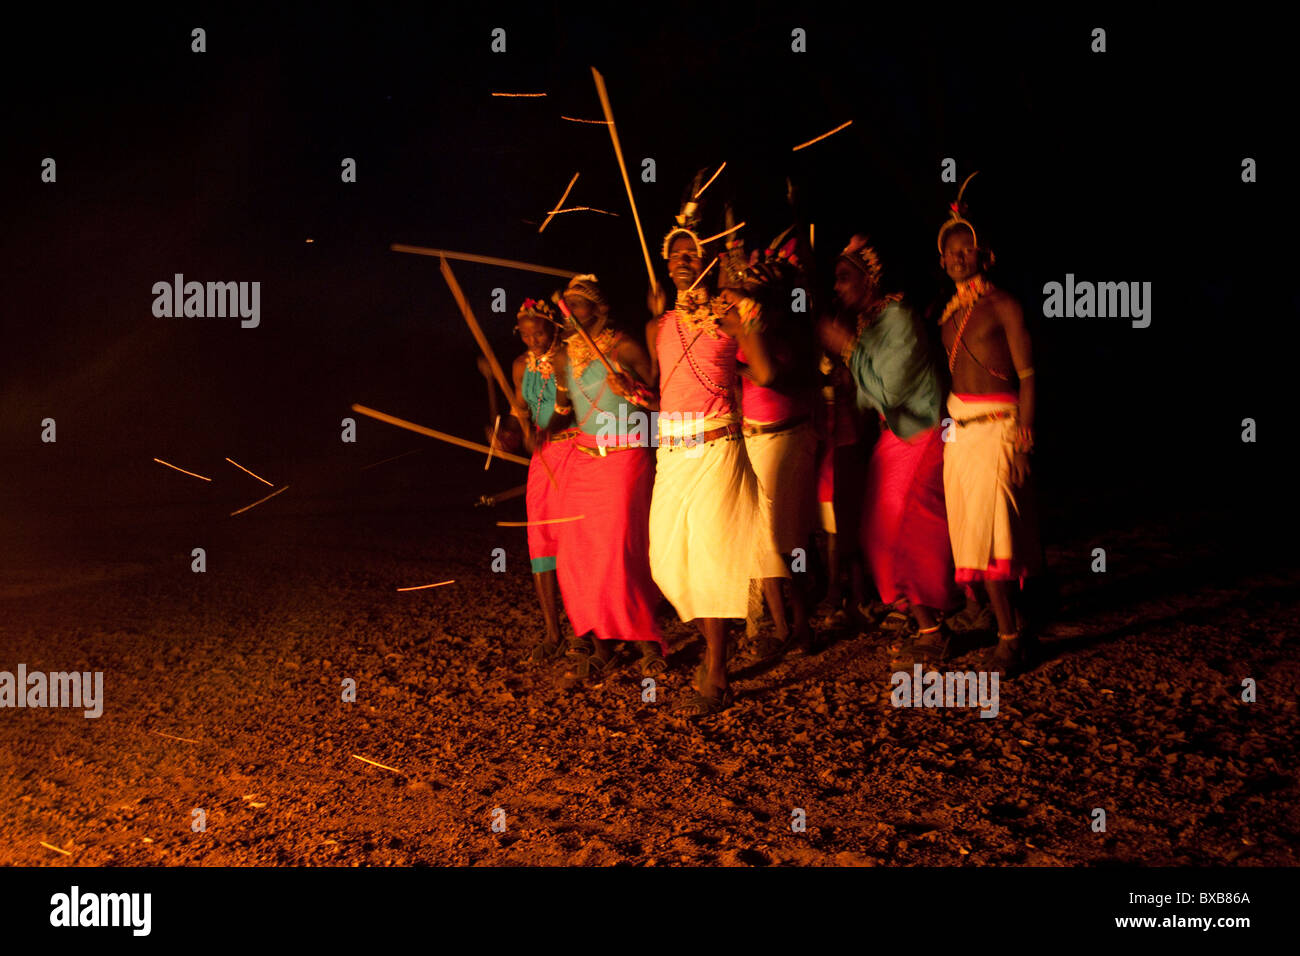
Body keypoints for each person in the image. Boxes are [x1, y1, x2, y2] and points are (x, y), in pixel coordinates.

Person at [647, 216, 772, 716]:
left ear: (707, 263)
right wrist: (634, 393)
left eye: (691, 255)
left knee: (711, 561)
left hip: (718, 446)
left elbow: (764, 371)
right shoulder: (659, 323)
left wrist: (732, 350)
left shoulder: (731, 310)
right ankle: (719, 644)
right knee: (667, 563)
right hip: (671, 452)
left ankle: (717, 667)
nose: (682, 261)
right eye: (675, 254)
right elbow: (664, 386)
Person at [817, 236, 963, 665]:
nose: (838, 288)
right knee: (877, 535)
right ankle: (923, 618)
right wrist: (844, 377)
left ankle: (935, 629)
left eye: (845, 278)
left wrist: (847, 350)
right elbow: (869, 397)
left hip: (921, 432)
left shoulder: (896, 317)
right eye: (837, 280)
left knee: (907, 532)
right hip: (894, 436)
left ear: (869, 278)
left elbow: (893, 392)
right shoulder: (870, 323)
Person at [936, 174, 1042, 676]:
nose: (958, 257)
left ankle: (1012, 639)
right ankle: (1016, 624)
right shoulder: (948, 316)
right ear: (941, 260)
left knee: (1001, 537)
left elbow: (1027, 375)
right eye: (950, 251)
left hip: (999, 429)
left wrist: (1023, 445)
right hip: (960, 433)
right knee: (974, 535)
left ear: (984, 255)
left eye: (966, 249)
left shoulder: (1003, 304)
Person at [552, 275, 667, 680]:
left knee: (619, 551)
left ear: (599, 310)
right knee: (577, 554)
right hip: (581, 460)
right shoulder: (565, 356)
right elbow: (563, 410)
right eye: (564, 305)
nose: (567, 312)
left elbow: (661, 399)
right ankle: (601, 642)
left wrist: (632, 387)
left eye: (576, 305)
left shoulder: (625, 346)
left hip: (624, 457)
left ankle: (645, 638)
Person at [721, 241, 820, 658]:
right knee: (770, 539)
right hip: (757, 436)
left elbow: (770, 375)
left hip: (786, 437)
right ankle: (791, 627)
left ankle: (792, 628)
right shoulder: (750, 321)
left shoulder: (782, 323)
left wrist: (736, 367)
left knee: (780, 539)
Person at [509, 299, 579, 663]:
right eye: (525, 333)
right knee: (541, 543)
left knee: (576, 542)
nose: (533, 338)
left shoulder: (569, 358)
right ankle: (554, 633)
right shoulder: (520, 366)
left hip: (574, 452)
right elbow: (519, 419)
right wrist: (505, 435)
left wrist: (549, 431)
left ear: (553, 327)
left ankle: (587, 628)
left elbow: (571, 410)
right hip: (541, 461)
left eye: (539, 331)